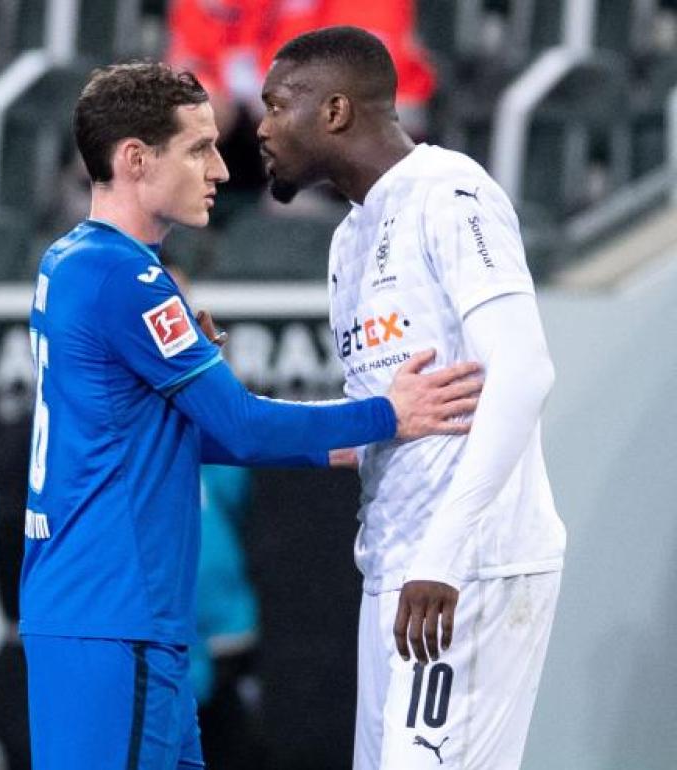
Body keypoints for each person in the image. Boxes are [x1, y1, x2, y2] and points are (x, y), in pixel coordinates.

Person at [20, 61, 483, 770]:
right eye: (198, 149)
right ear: (136, 159)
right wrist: (384, 414)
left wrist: (332, 446)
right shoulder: (126, 277)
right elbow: (238, 422)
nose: (220, 169)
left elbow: (147, 433)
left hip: (105, 614)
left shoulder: (70, 260)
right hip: (116, 614)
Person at [257, 26, 565, 769]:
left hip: (470, 568)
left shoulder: (451, 193)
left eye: (277, 105)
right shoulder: (349, 239)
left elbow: (525, 372)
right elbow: (384, 417)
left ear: (335, 111)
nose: (261, 127)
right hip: (396, 571)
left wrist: (445, 554)